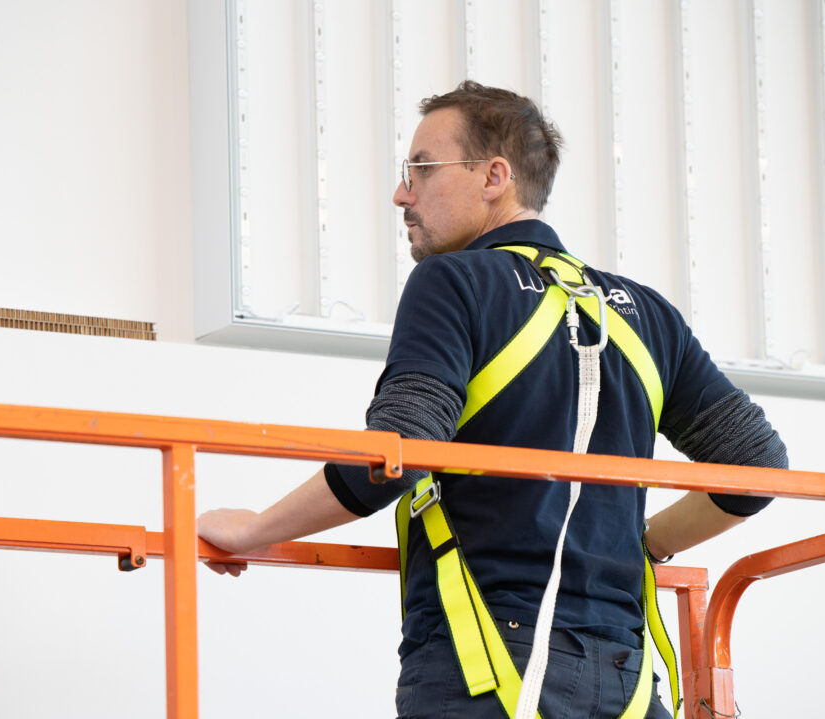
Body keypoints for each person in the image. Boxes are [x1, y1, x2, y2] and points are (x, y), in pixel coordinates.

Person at [197, 81, 787, 718]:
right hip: (625, 672)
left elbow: (398, 450)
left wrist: (255, 530)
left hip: (486, 663)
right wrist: (645, 545)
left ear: (494, 177)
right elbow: (756, 466)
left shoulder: (453, 283)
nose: (402, 194)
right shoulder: (646, 314)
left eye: (421, 169)